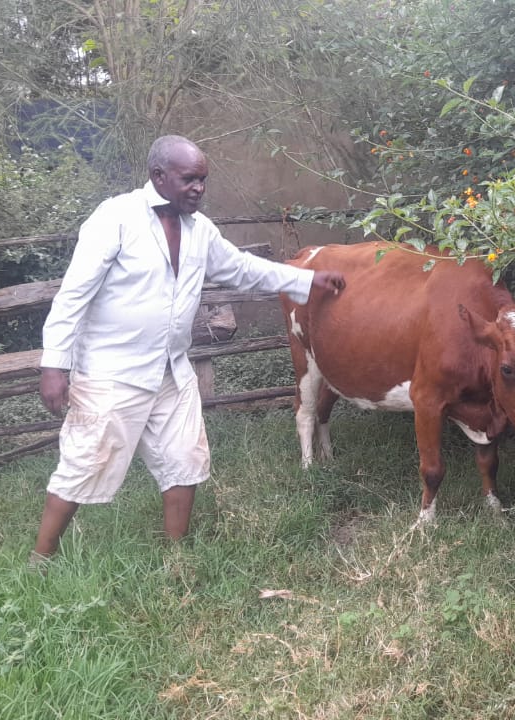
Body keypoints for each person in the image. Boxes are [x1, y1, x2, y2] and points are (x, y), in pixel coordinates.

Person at [30, 134, 346, 564]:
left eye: (203, 180)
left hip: (171, 371)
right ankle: (41, 559)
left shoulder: (201, 230)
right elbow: (73, 295)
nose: (198, 188)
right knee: (84, 462)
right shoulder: (116, 218)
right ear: (158, 176)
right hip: (111, 371)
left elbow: (241, 269)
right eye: (189, 179)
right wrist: (55, 365)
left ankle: (176, 556)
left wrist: (306, 281)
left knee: (184, 459)